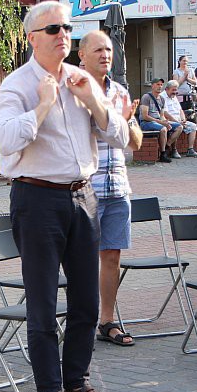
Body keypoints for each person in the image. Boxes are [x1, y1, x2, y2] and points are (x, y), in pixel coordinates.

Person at [0, 0, 128, 392]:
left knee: (87, 298)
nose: (62, 35)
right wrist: (44, 105)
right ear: (32, 38)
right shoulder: (17, 84)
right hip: (36, 199)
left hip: (83, 196)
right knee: (43, 300)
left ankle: (78, 381)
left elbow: (121, 137)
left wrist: (94, 101)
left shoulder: (82, 79)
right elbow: (6, 141)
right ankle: (49, 390)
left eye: (67, 28)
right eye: (52, 29)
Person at [78, 29, 142, 347]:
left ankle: (107, 320)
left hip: (118, 185)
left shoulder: (120, 91)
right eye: (99, 50)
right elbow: (94, 133)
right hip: (86, 188)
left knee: (112, 257)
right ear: (82, 55)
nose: (106, 55)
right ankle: (81, 321)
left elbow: (136, 142)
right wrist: (117, 122)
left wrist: (127, 121)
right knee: (82, 258)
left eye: (109, 50)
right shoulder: (75, 90)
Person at [139, 78, 178, 163]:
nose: (160, 86)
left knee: (179, 126)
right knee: (163, 129)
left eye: (161, 85)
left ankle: (167, 145)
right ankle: (163, 154)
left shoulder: (162, 99)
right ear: (152, 85)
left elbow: (161, 115)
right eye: (157, 84)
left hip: (157, 121)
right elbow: (145, 116)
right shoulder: (146, 97)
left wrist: (165, 121)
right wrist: (161, 123)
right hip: (146, 123)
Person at [162, 80, 197, 157]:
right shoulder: (162, 97)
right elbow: (165, 113)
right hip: (169, 121)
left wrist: (183, 119)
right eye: (173, 90)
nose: (175, 92)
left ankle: (190, 150)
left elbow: (180, 110)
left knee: (193, 126)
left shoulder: (174, 97)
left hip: (179, 120)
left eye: (176, 90)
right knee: (178, 127)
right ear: (167, 89)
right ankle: (171, 148)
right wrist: (177, 122)